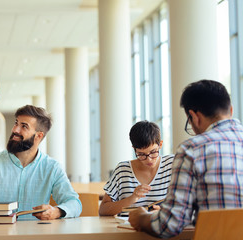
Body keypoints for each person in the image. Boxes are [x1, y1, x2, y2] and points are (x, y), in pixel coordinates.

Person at [129, 80, 243, 238]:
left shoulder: (192, 149)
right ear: (230, 110)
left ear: (194, 117)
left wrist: (141, 218)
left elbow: (169, 225)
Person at [0, 105, 82, 220]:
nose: (15, 130)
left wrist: (57, 212)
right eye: (16, 123)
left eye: (24, 126)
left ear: (38, 136)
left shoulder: (52, 168)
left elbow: (75, 203)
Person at [99, 121, 174, 217]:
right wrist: (132, 198)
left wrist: (165, 212)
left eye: (153, 152)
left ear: (160, 144)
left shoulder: (173, 165)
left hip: (160, 229)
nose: (149, 159)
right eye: (142, 154)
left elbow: (190, 205)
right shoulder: (122, 170)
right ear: (134, 149)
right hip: (127, 230)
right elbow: (103, 210)